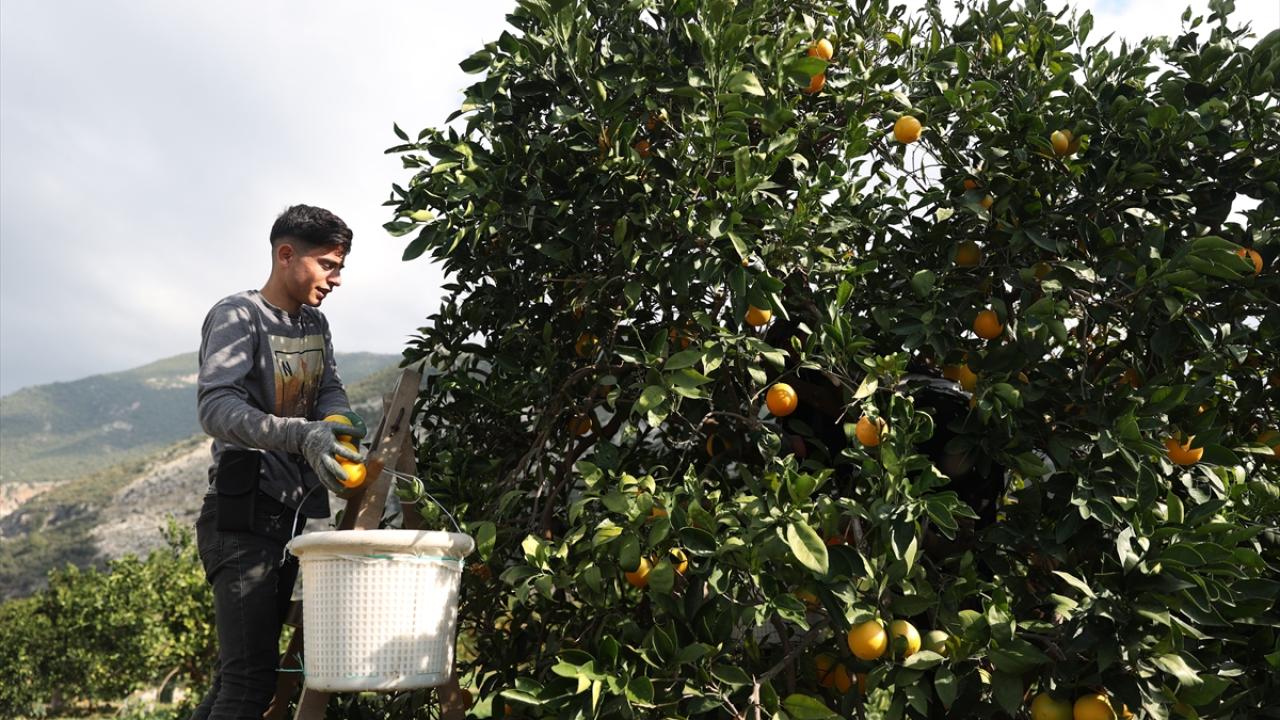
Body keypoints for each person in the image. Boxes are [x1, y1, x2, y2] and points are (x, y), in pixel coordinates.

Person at [191, 204, 367, 720]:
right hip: (243, 516)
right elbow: (216, 406)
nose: (336, 279)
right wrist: (301, 435)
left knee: (239, 676)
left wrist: (338, 429)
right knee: (249, 685)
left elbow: (328, 388)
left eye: (340, 268)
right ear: (286, 254)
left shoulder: (315, 323)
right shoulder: (238, 315)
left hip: (292, 519)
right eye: (328, 265)